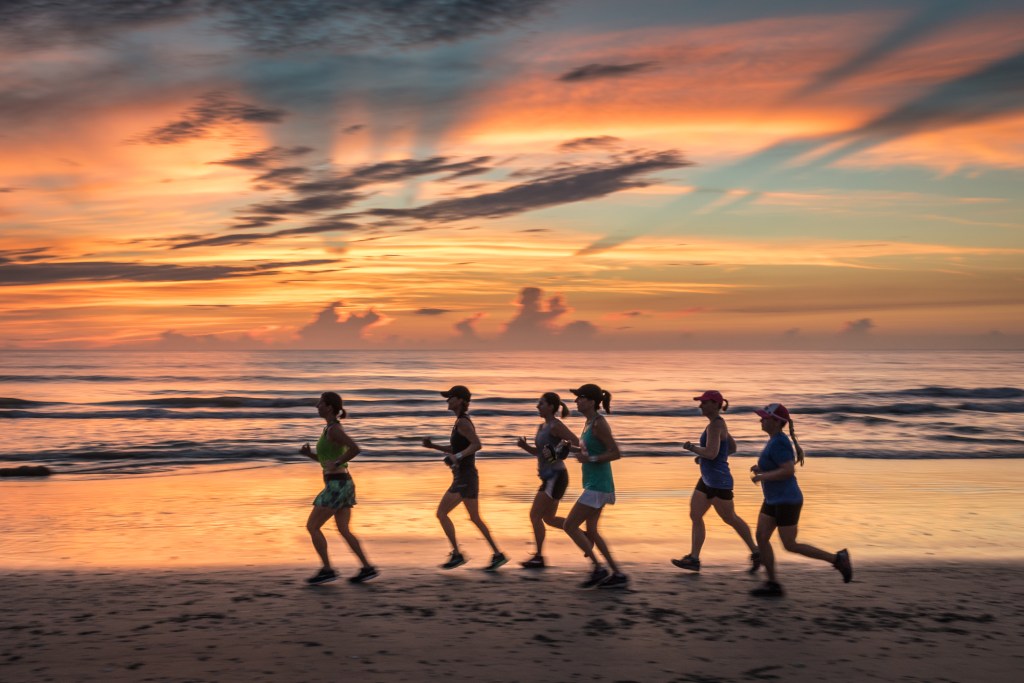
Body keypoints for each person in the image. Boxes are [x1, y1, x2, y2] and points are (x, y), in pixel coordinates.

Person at [748, 403, 853, 597]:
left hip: (787, 500)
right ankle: (772, 584)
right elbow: (778, 466)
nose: (760, 420)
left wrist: (762, 477)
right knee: (762, 537)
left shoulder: (779, 441)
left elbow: (788, 470)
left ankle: (838, 559)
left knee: (790, 544)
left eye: (764, 417)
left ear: (776, 422)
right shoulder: (774, 440)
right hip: (772, 499)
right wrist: (761, 469)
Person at [422, 385, 508, 572]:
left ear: (460, 400)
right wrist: (434, 446)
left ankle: (457, 554)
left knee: (442, 513)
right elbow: (457, 449)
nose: (447, 400)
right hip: (467, 476)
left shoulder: (463, 423)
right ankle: (498, 554)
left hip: (465, 477)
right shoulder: (460, 422)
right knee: (475, 517)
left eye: (450, 397)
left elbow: (477, 445)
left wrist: (457, 457)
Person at [672, 390, 759, 573]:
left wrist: (693, 448)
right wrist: (705, 458)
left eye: (703, 402)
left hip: (719, 481)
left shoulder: (715, 426)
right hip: (707, 479)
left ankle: (757, 552)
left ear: (714, 404)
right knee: (695, 515)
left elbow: (711, 453)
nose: (700, 406)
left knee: (730, 518)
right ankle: (694, 558)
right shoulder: (717, 424)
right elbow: (731, 447)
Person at [300, 391, 378, 585]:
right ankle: (367, 568)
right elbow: (328, 460)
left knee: (312, 526)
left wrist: (338, 461)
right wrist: (310, 455)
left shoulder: (334, 429)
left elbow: (355, 448)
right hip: (342, 483)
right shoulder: (329, 429)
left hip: (337, 485)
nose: (317, 406)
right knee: (343, 528)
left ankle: (327, 570)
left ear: (329, 407)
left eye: (320, 403)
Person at [561, 383, 629, 589]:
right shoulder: (589, 423)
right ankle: (617, 573)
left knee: (569, 525)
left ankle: (598, 568)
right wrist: (568, 448)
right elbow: (586, 451)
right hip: (595, 483)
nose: (576, 401)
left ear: (591, 402)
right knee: (592, 530)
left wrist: (590, 458)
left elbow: (616, 452)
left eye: (580, 397)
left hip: (599, 485)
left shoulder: (599, 423)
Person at [515, 392, 580, 568]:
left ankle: (538, 556)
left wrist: (559, 451)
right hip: (549, 477)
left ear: (551, 407)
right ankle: (583, 535)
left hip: (556, 476)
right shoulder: (541, 427)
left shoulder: (556, 426)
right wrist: (525, 447)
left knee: (534, 515)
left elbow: (576, 443)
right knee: (549, 519)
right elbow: (540, 454)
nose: (537, 407)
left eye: (541, 404)